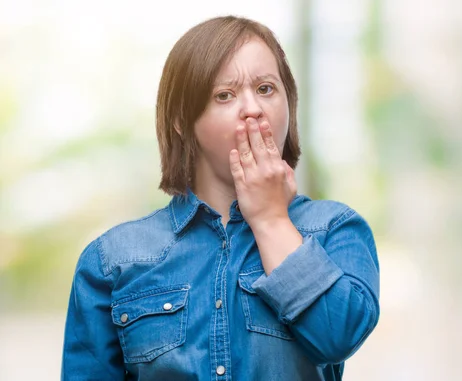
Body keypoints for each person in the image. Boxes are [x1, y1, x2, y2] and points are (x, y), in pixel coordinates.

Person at [61, 15, 380, 381]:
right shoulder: (112, 260)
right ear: (182, 119)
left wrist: (271, 219)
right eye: (224, 95)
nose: (253, 109)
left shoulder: (335, 230)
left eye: (265, 89)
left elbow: (338, 337)